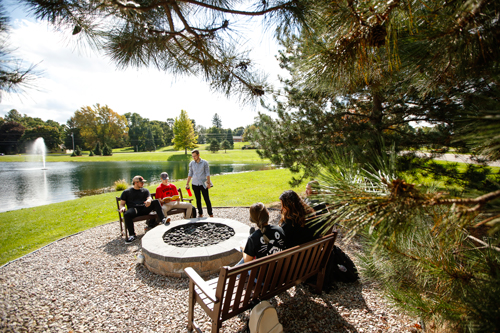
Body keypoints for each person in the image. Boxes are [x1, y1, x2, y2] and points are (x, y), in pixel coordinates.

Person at [119, 175, 168, 244]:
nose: (143, 184)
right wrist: (122, 208)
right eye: (141, 182)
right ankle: (132, 235)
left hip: (145, 208)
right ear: (135, 183)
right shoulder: (127, 192)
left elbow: (149, 197)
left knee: (156, 201)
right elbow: (122, 204)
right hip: (134, 210)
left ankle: (163, 219)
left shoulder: (145, 190)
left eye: (143, 182)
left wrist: (149, 201)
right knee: (127, 214)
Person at [185, 149, 213, 218]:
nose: (194, 157)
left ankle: (210, 214)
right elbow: (190, 174)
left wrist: (208, 183)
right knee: (198, 199)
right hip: (195, 184)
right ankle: (200, 213)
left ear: (198, 155)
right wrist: (187, 183)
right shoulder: (191, 163)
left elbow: (207, 173)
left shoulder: (204, 163)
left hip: (203, 184)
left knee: (206, 199)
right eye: (192, 156)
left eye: (195, 156)